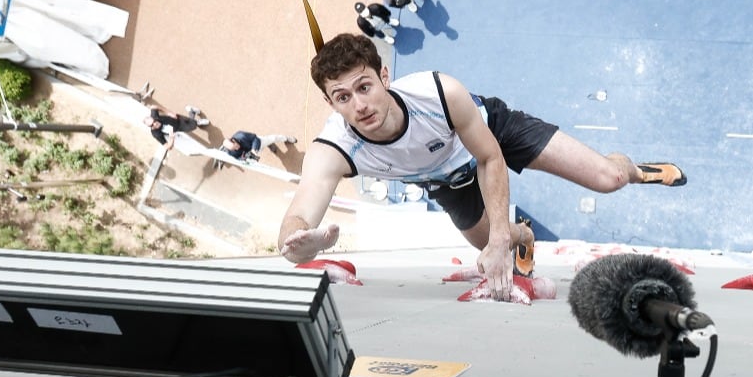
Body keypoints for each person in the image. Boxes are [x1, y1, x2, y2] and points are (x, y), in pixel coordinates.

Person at [278, 34, 688, 300]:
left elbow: (490, 158)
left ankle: (633, 168)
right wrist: (300, 245)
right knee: (493, 244)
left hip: (487, 133)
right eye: (342, 97)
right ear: (330, 103)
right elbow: (296, 217)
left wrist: (496, 241)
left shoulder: (439, 92)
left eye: (364, 87)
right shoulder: (333, 148)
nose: (359, 105)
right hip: (443, 178)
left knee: (606, 178)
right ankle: (522, 234)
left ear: (385, 76)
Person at [218, 130, 296, 164]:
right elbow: (237, 157)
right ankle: (270, 145)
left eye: (235, 146)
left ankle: (286, 138)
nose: (236, 149)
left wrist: (254, 149)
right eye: (233, 149)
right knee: (261, 150)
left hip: (257, 142)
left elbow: (255, 138)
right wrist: (244, 158)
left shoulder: (241, 135)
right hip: (252, 152)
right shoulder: (230, 151)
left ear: (233, 140)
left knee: (273, 138)